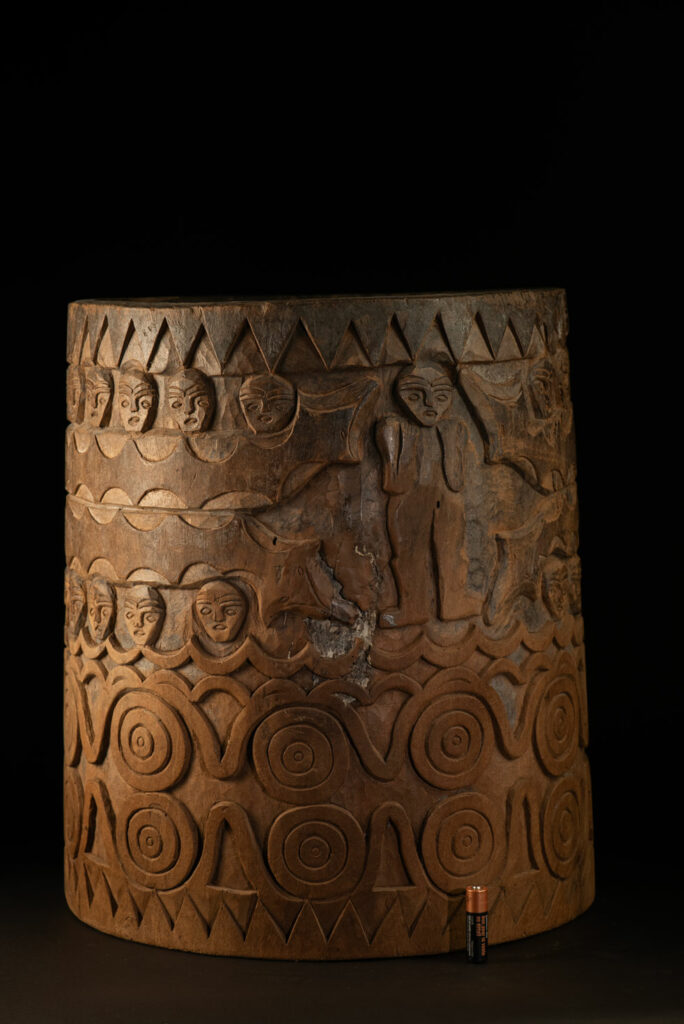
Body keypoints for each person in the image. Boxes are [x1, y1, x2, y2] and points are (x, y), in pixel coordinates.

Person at [376, 364, 479, 626]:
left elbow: (457, 478)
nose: (430, 405)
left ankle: (453, 601)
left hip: (447, 501)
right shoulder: (395, 428)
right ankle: (412, 606)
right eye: (416, 396)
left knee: (452, 551)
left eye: (441, 397)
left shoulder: (453, 428)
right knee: (409, 553)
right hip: (408, 501)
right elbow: (393, 480)